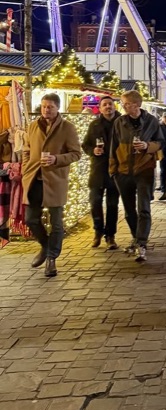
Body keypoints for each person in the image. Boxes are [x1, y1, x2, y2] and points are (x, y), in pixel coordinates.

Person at [22, 93, 82, 277]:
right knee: (31, 219)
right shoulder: (33, 126)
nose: (46, 110)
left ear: (58, 108)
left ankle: (51, 259)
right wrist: (26, 168)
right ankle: (45, 245)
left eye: (50, 107)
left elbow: (76, 154)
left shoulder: (67, 128)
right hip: (33, 180)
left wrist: (56, 159)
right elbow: (26, 150)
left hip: (55, 181)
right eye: (44, 106)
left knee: (56, 223)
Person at [109, 90, 164, 263]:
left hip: (144, 169)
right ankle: (135, 237)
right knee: (128, 210)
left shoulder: (151, 121)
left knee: (144, 208)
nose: (124, 107)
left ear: (137, 104)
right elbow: (113, 146)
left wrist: (147, 146)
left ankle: (142, 243)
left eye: (127, 104)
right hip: (123, 171)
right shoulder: (120, 122)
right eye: (123, 104)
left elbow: (161, 143)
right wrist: (113, 170)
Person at [82, 96, 121, 250]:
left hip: (116, 169)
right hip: (98, 169)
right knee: (95, 202)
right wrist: (93, 150)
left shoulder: (122, 123)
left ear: (114, 106)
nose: (108, 107)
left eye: (110, 104)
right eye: (104, 105)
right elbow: (85, 144)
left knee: (112, 204)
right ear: (100, 107)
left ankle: (110, 235)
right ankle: (98, 231)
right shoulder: (95, 124)